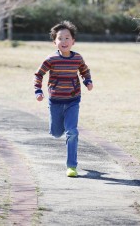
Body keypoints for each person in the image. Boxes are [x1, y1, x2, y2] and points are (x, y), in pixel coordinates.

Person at [34, 21, 93, 177]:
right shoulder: (51, 59)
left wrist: (88, 81)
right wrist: (38, 91)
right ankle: (57, 128)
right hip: (56, 101)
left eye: (68, 38)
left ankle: (71, 166)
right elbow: (39, 74)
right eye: (60, 38)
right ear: (55, 42)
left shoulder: (77, 58)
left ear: (73, 41)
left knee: (72, 131)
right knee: (56, 133)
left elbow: (85, 70)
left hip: (73, 100)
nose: (64, 41)